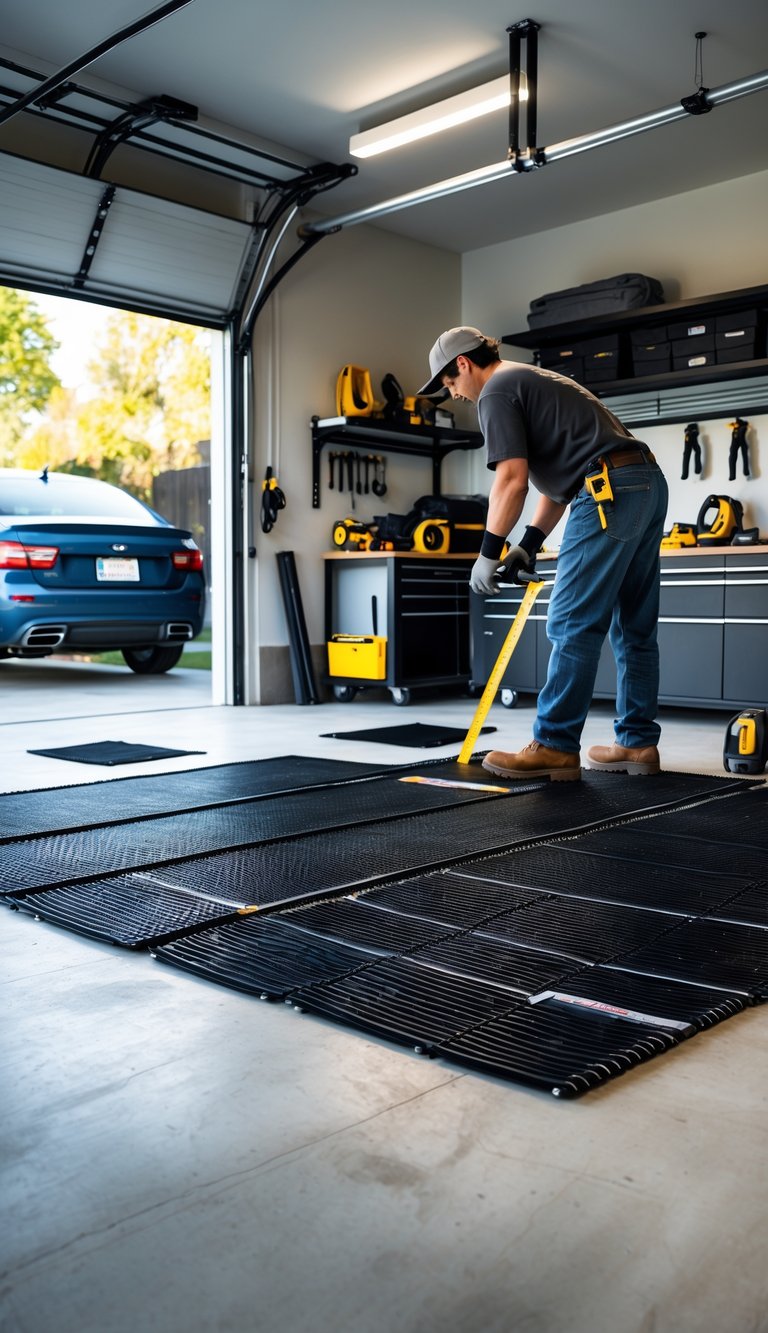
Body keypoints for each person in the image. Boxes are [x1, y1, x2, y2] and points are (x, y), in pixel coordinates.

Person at [418, 326, 669, 782]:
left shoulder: (495, 391)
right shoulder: (528, 379)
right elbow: (562, 483)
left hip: (610, 490)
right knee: (633, 624)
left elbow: (511, 480)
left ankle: (553, 745)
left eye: (449, 383)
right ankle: (637, 743)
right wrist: (528, 545)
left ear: (463, 364)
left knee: (572, 620)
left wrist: (488, 553)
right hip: (642, 483)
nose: (453, 393)